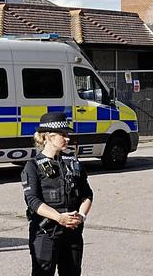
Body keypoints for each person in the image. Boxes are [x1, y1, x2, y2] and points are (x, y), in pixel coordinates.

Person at [21, 112, 93, 276]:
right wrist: (59, 218)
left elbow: (87, 194)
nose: (67, 138)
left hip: (72, 232)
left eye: (68, 134)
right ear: (47, 136)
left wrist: (81, 215)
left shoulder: (73, 162)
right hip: (46, 233)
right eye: (63, 135)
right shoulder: (33, 166)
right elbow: (32, 200)